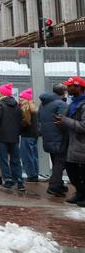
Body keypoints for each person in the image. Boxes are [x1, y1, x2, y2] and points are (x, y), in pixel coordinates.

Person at [0, 83, 24, 191]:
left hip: (2, 136)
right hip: (14, 137)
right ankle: (19, 180)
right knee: (15, 159)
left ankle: (8, 179)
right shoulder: (17, 104)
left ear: (2, 93)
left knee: (3, 159)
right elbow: (21, 120)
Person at [57, 76, 85, 205]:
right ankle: (79, 193)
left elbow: (83, 126)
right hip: (70, 144)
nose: (67, 88)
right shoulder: (73, 103)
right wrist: (61, 123)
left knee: (81, 174)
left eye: (70, 86)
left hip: (81, 145)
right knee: (72, 172)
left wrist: (65, 120)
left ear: (78, 87)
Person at [39, 83, 69, 197]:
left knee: (56, 160)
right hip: (59, 138)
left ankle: (58, 184)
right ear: (64, 92)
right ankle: (54, 186)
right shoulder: (61, 104)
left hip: (48, 137)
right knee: (60, 162)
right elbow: (63, 121)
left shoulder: (44, 104)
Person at [18, 87, 41, 183]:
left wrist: (18, 128)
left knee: (26, 156)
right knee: (34, 156)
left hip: (26, 135)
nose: (19, 99)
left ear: (25, 99)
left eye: (21, 98)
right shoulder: (34, 108)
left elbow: (25, 122)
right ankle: (35, 174)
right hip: (34, 135)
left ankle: (31, 175)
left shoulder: (25, 108)